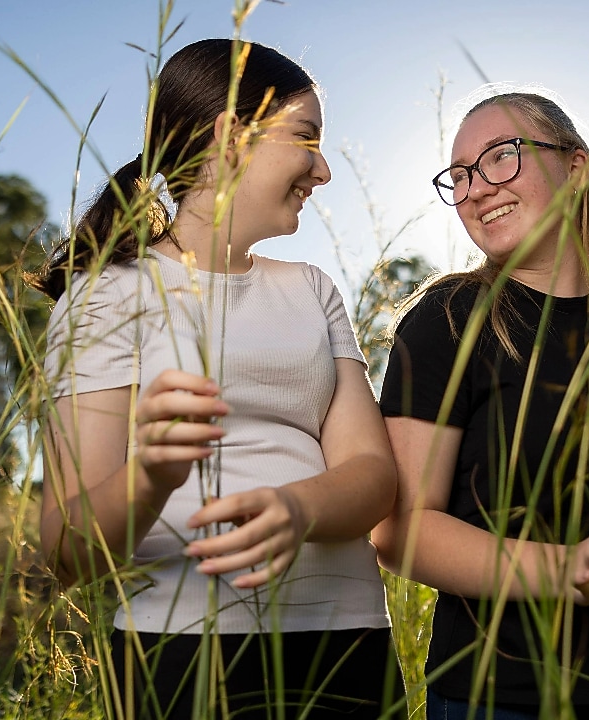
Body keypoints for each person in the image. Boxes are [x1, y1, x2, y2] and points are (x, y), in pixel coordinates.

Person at [35, 39, 401, 720]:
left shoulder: (313, 290)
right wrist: (149, 476)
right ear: (233, 136)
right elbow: (66, 546)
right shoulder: (102, 296)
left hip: (348, 638)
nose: (322, 169)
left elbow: (374, 477)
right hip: (178, 650)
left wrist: (299, 508)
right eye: (306, 137)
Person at [372, 90, 589, 719]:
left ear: (577, 166)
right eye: (459, 175)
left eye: (501, 157)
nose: (477, 188)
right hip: (510, 693)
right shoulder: (448, 320)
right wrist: (560, 571)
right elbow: (400, 529)